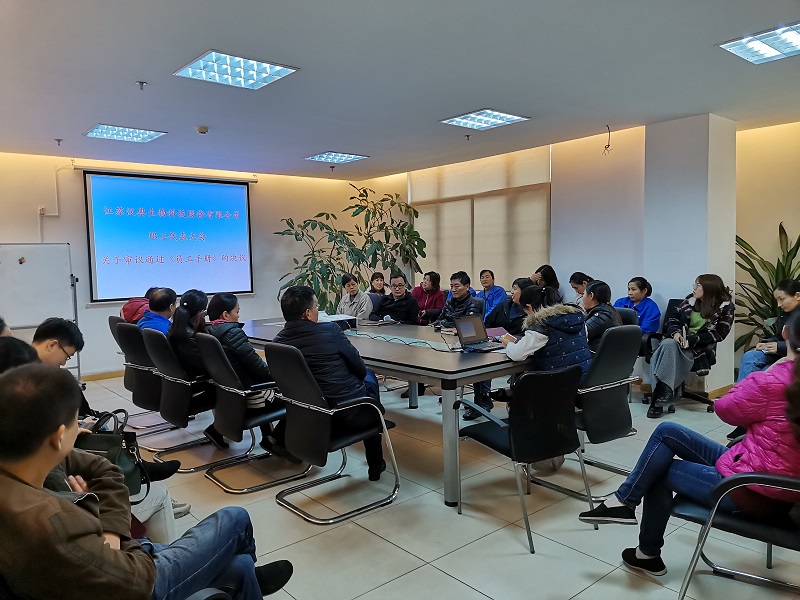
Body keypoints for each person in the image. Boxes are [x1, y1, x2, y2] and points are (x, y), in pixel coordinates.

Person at [0, 363, 294, 599]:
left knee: (240, 567)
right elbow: (138, 581)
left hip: (108, 562)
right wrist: (101, 521)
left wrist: (111, 533)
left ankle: (248, 576)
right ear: (58, 436)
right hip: (138, 581)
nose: (80, 430)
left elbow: (106, 471)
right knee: (235, 518)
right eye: (76, 423)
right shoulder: (52, 523)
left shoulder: (27, 454)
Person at [578, 311, 800, 578]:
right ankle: (624, 501)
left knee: (658, 472)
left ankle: (647, 553)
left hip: (754, 489)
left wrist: (769, 370)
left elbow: (724, 407)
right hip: (767, 475)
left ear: (785, 334)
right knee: (668, 431)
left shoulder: (775, 380)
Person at [0, 336, 182, 544]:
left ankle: (137, 468)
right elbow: (118, 558)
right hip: (92, 517)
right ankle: (138, 472)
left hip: (82, 498)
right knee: (160, 495)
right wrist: (95, 513)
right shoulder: (48, 498)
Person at [274, 285, 387, 481]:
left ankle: (376, 459)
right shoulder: (331, 331)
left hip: (308, 417)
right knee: (369, 376)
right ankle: (375, 460)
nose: (318, 311)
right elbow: (360, 370)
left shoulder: (278, 343)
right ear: (307, 313)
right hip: (345, 415)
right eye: (316, 307)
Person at [206, 293, 287, 456]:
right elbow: (258, 368)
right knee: (297, 400)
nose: (238, 315)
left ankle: (217, 430)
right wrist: (280, 381)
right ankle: (275, 441)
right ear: (225, 315)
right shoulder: (232, 333)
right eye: (237, 311)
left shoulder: (207, 331)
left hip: (229, 396)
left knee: (266, 386)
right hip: (250, 396)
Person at [647, 274, 734, 418]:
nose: (694, 288)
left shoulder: (725, 308)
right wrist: (676, 333)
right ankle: (663, 394)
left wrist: (692, 340)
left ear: (709, 288)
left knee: (661, 352)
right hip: (676, 343)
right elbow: (673, 320)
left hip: (699, 349)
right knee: (668, 343)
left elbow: (719, 334)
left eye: (698, 285)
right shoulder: (689, 301)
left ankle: (658, 398)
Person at [500, 285, 592, 379]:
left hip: (558, 381)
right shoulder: (577, 318)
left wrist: (508, 344)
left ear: (529, 307)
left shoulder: (541, 325)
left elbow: (517, 355)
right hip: (586, 378)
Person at [737, 278, 800, 382]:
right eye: (777, 300)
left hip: (793, 355)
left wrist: (779, 346)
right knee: (750, 357)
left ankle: (745, 390)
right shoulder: (785, 314)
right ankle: (742, 390)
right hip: (782, 353)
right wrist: (767, 343)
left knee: (765, 371)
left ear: (797, 296)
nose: (779, 305)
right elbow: (779, 336)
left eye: (782, 299)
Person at [167, 289, 209, 379]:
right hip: (198, 380)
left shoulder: (173, 329)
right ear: (201, 312)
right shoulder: (190, 336)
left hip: (180, 379)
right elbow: (206, 367)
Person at [583, 280, 622, 352]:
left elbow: (580, 334)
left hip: (596, 354)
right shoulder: (606, 309)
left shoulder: (603, 315)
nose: (583, 297)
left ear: (591, 295)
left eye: (584, 294)